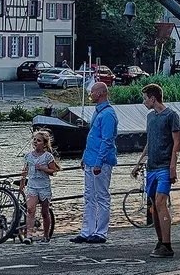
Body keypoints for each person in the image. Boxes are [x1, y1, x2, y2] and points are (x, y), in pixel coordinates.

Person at [131, 84, 180, 258]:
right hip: (152, 167)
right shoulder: (150, 117)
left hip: (164, 167)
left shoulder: (171, 115)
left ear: (153, 98)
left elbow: (177, 142)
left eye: (145, 98)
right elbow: (149, 142)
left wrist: (172, 166)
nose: (144, 101)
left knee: (161, 202)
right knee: (154, 205)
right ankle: (161, 241)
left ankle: (167, 245)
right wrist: (139, 163)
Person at [72, 82, 117, 243]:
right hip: (91, 160)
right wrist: (85, 156)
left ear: (101, 93)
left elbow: (107, 140)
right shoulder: (98, 112)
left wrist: (98, 162)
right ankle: (87, 231)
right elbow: (92, 137)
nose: (90, 94)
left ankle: (101, 232)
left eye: (92, 92)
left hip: (101, 162)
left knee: (102, 196)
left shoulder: (108, 114)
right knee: (89, 195)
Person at [19, 130, 59, 243]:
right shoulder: (28, 156)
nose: (36, 142)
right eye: (34, 140)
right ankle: (29, 235)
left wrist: (43, 168)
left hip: (44, 186)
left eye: (39, 140)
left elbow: (53, 171)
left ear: (45, 144)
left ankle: (46, 235)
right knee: (30, 209)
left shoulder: (47, 156)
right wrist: (22, 182)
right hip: (32, 185)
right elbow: (25, 170)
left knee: (45, 212)